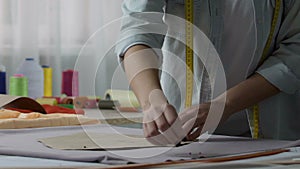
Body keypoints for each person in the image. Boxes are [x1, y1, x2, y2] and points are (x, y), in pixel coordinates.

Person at [115, 0, 300, 145]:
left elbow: (295, 50)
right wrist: (151, 100)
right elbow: (137, 32)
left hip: (269, 132)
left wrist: (224, 105)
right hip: (183, 130)